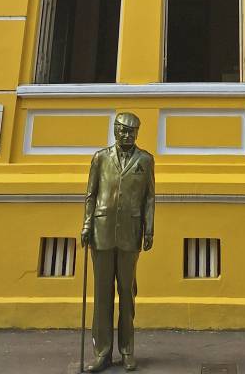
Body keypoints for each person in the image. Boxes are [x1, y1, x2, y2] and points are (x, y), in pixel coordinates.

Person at [80, 112, 154, 372]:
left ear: (137, 133)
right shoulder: (100, 158)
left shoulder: (145, 160)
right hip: (101, 231)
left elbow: (149, 198)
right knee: (102, 294)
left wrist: (149, 229)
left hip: (131, 233)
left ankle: (127, 351)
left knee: (126, 293)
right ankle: (102, 352)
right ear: (114, 131)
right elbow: (91, 194)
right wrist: (87, 224)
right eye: (122, 131)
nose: (127, 135)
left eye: (131, 132)